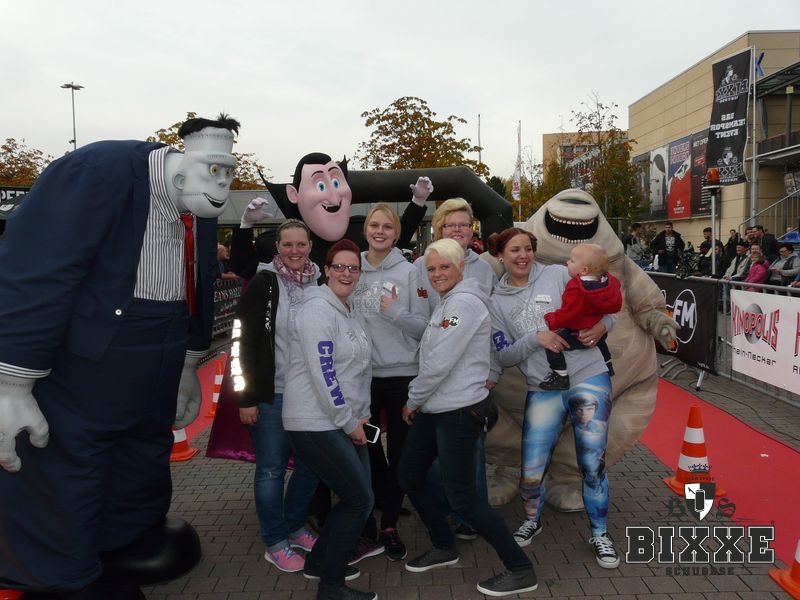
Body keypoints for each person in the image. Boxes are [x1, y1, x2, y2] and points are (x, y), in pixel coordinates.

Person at [0, 114, 239, 597]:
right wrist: (12, 382)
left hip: (155, 360)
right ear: (183, 164)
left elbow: (200, 280)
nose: (221, 185)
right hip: (86, 368)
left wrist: (187, 363)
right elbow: (38, 268)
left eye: (227, 172)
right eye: (214, 170)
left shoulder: (198, 205)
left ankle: (124, 542)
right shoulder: (97, 171)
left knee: (141, 457)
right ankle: (58, 575)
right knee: (68, 464)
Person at [398, 238, 538, 597]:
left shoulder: (464, 302)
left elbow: (438, 363)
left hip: (458, 411)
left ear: (461, 267)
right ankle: (444, 545)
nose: (437, 274)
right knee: (409, 475)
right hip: (435, 407)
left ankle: (520, 568)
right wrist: (421, 401)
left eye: (444, 266)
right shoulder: (447, 301)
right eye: (431, 268)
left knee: (463, 498)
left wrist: (412, 400)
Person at [488, 227, 619, 569]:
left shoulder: (559, 274)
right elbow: (503, 355)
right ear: (500, 255)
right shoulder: (495, 301)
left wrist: (603, 326)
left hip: (589, 377)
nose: (522, 256)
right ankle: (532, 519)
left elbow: (607, 305)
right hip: (543, 387)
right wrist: (537, 338)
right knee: (531, 468)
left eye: (527, 248)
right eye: (514, 250)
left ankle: (600, 533)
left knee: (592, 463)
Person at [283, 239, 376, 600]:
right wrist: (348, 421)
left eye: (353, 268)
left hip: (344, 419)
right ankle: (331, 587)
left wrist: (361, 416)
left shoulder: (350, 311)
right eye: (339, 266)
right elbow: (324, 373)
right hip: (314, 421)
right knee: (358, 499)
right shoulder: (316, 310)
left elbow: (360, 371)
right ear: (326, 270)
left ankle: (319, 562)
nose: (346, 273)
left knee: (361, 497)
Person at [233, 219, 322, 573]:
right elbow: (242, 340)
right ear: (278, 247)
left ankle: (295, 526)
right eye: (288, 245)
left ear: (310, 246)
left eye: (301, 244)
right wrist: (245, 396)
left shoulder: (319, 281)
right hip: (273, 394)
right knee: (271, 470)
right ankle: (274, 541)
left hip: (310, 395)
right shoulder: (264, 282)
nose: (295, 251)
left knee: (311, 465)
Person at [413, 197, 497, 540]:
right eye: (451, 224)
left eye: (464, 224)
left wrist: (493, 371)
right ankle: (448, 508)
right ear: (439, 228)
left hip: (469, 381)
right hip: (436, 376)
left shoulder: (484, 269)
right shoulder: (423, 263)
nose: (458, 229)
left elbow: (493, 323)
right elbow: (425, 320)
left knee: (471, 453)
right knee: (438, 455)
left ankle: (471, 516)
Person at [352, 204, 429, 561]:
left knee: (399, 452)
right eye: (374, 225)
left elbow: (424, 328)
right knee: (367, 446)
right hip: (364, 379)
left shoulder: (411, 272)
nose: (379, 231)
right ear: (365, 229)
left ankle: (390, 526)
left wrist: (395, 312)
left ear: (397, 233)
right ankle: (371, 512)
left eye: (387, 226)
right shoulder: (352, 269)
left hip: (401, 377)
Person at [539, 243, 621, 391]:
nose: (567, 262)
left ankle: (560, 375)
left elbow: (570, 313)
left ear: (584, 270)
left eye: (572, 260)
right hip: (597, 330)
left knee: (553, 345)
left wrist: (552, 319)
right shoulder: (607, 283)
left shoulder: (576, 287)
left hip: (579, 332)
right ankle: (607, 364)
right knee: (601, 341)